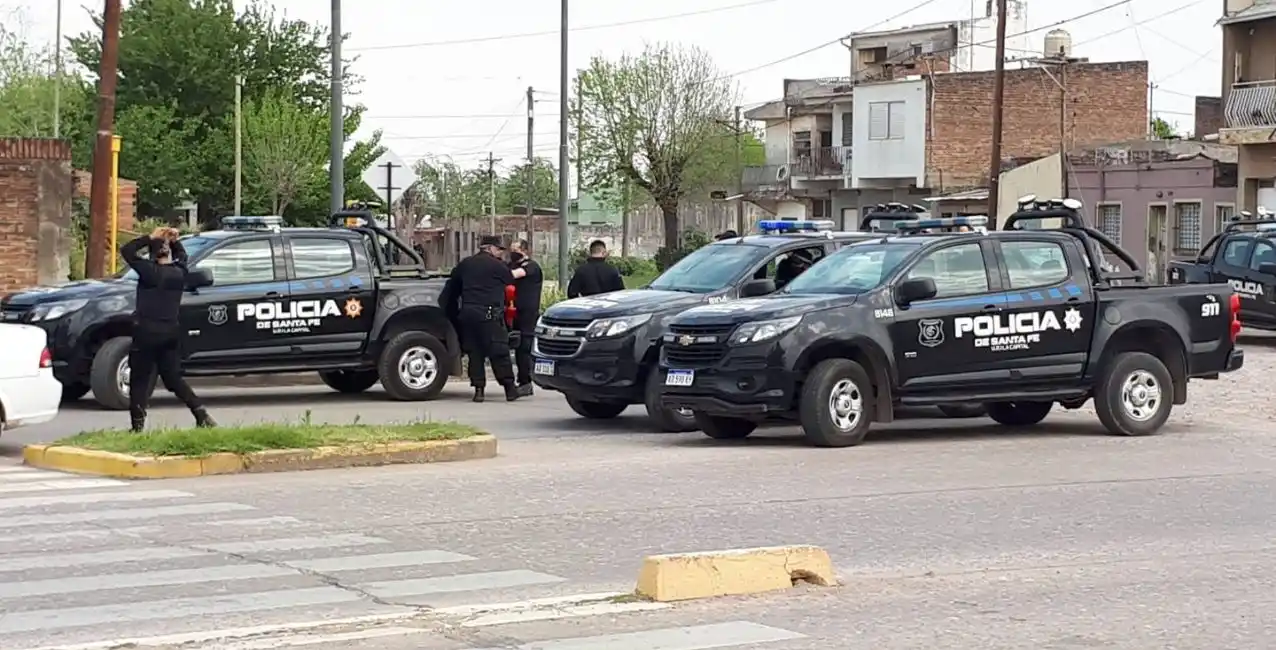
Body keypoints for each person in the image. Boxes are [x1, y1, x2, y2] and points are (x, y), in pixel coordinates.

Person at [120, 227, 215, 432]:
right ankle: (200, 413)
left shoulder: (148, 272)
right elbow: (183, 256)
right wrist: (174, 241)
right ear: (168, 253)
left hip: (146, 333)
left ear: (152, 254)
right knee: (172, 378)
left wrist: (150, 237)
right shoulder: (179, 273)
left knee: (139, 379)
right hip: (170, 333)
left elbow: (127, 251)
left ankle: (137, 427)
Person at [440, 235, 519, 402]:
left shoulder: (465, 264)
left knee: (475, 353)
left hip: (468, 315)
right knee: (499, 352)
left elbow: (449, 292)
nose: (499, 253)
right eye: (498, 250)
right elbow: (511, 281)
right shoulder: (498, 266)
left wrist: (453, 316)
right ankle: (510, 389)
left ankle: (479, 390)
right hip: (490, 315)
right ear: (490, 248)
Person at [508, 240, 543, 396]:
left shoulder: (531, 267)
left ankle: (526, 382)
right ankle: (521, 380)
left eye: (516, 250)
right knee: (517, 346)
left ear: (525, 251)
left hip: (528, 313)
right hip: (512, 311)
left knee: (524, 347)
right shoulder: (511, 266)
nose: (512, 253)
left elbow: (515, 275)